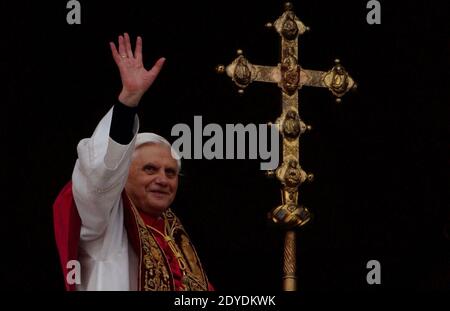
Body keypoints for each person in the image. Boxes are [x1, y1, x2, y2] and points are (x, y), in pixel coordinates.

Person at [53, 33, 212, 291]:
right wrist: (128, 102)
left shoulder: (173, 233)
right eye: (150, 169)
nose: (162, 179)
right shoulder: (105, 219)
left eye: (170, 172)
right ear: (124, 174)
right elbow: (101, 175)